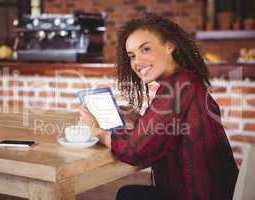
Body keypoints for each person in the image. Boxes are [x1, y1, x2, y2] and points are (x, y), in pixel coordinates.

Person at [79, 12, 238, 200]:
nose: (137, 62)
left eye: (145, 49)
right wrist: (138, 120)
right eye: (132, 56)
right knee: (128, 193)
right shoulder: (185, 82)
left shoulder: (180, 86)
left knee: (128, 195)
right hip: (210, 193)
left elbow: (135, 151)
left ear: (169, 46)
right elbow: (165, 132)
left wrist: (96, 131)